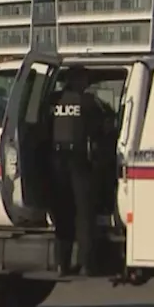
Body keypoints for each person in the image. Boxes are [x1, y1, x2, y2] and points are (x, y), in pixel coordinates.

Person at [49, 66, 108, 276]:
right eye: (85, 80)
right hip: (78, 160)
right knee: (84, 213)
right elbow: (104, 128)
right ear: (78, 80)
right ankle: (85, 263)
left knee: (63, 213)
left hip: (56, 160)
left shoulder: (53, 100)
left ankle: (61, 264)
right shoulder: (88, 102)